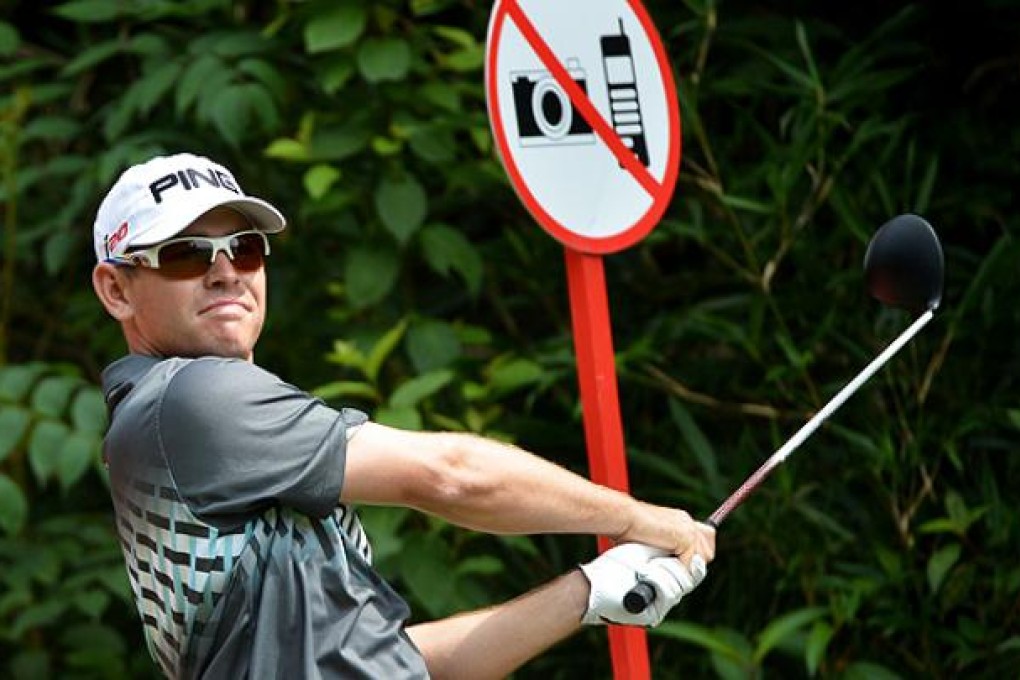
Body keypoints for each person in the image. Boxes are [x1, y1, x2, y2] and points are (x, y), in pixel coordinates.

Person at [90, 152, 716, 679]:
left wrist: (592, 591)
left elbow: (393, 664)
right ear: (116, 289)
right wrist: (637, 518)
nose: (225, 272)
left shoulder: (189, 428)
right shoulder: (190, 399)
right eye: (186, 254)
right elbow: (450, 475)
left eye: (245, 249)